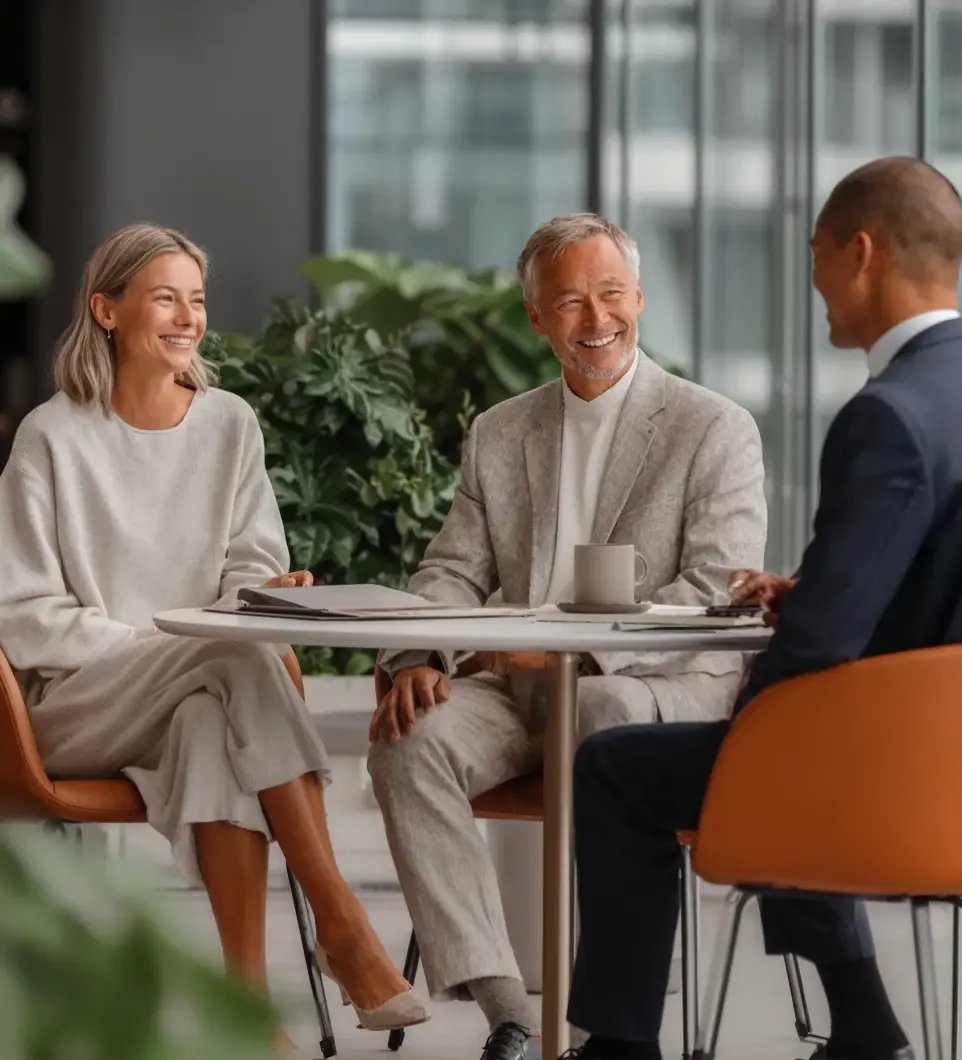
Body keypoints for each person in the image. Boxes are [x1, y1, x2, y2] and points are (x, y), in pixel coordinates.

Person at [564, 154, 962, 1060]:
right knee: (786, 730)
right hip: (953, 769)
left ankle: (620, 1046)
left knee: (624, 766)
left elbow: (820, 649)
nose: (812, 279)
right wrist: (808, 590)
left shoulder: (890, 414)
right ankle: (862, 1023)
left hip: (886, 775)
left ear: (860, 252)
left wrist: (756, 729)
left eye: (816, 253)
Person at [0, 223, 429, 1056]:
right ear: (107, 309)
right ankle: (340, 920)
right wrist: (164, 651)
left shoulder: (230, 424)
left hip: (202, 692)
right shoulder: (52, 437)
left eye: (196, 299)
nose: (188, 316)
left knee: (211, 714)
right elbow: (21, 612)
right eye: (165, 297)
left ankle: (249, 1014)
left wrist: (265, 598)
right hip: (74, 708)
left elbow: (248, 570)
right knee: (228, 656)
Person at [367, 213, 767, 1060]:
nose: (596, 321)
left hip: (649, 685)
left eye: (612, 295)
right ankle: (510, 1009)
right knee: (410, 740)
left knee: (606, 701)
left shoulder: (713, 427)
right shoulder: (500, 432)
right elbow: (452, 569)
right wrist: (414, 656)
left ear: (642, 299)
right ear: (536, 319)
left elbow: (716, 591)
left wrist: (578, 655)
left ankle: (604, 1029)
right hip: (518, 693)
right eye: (571, 303)